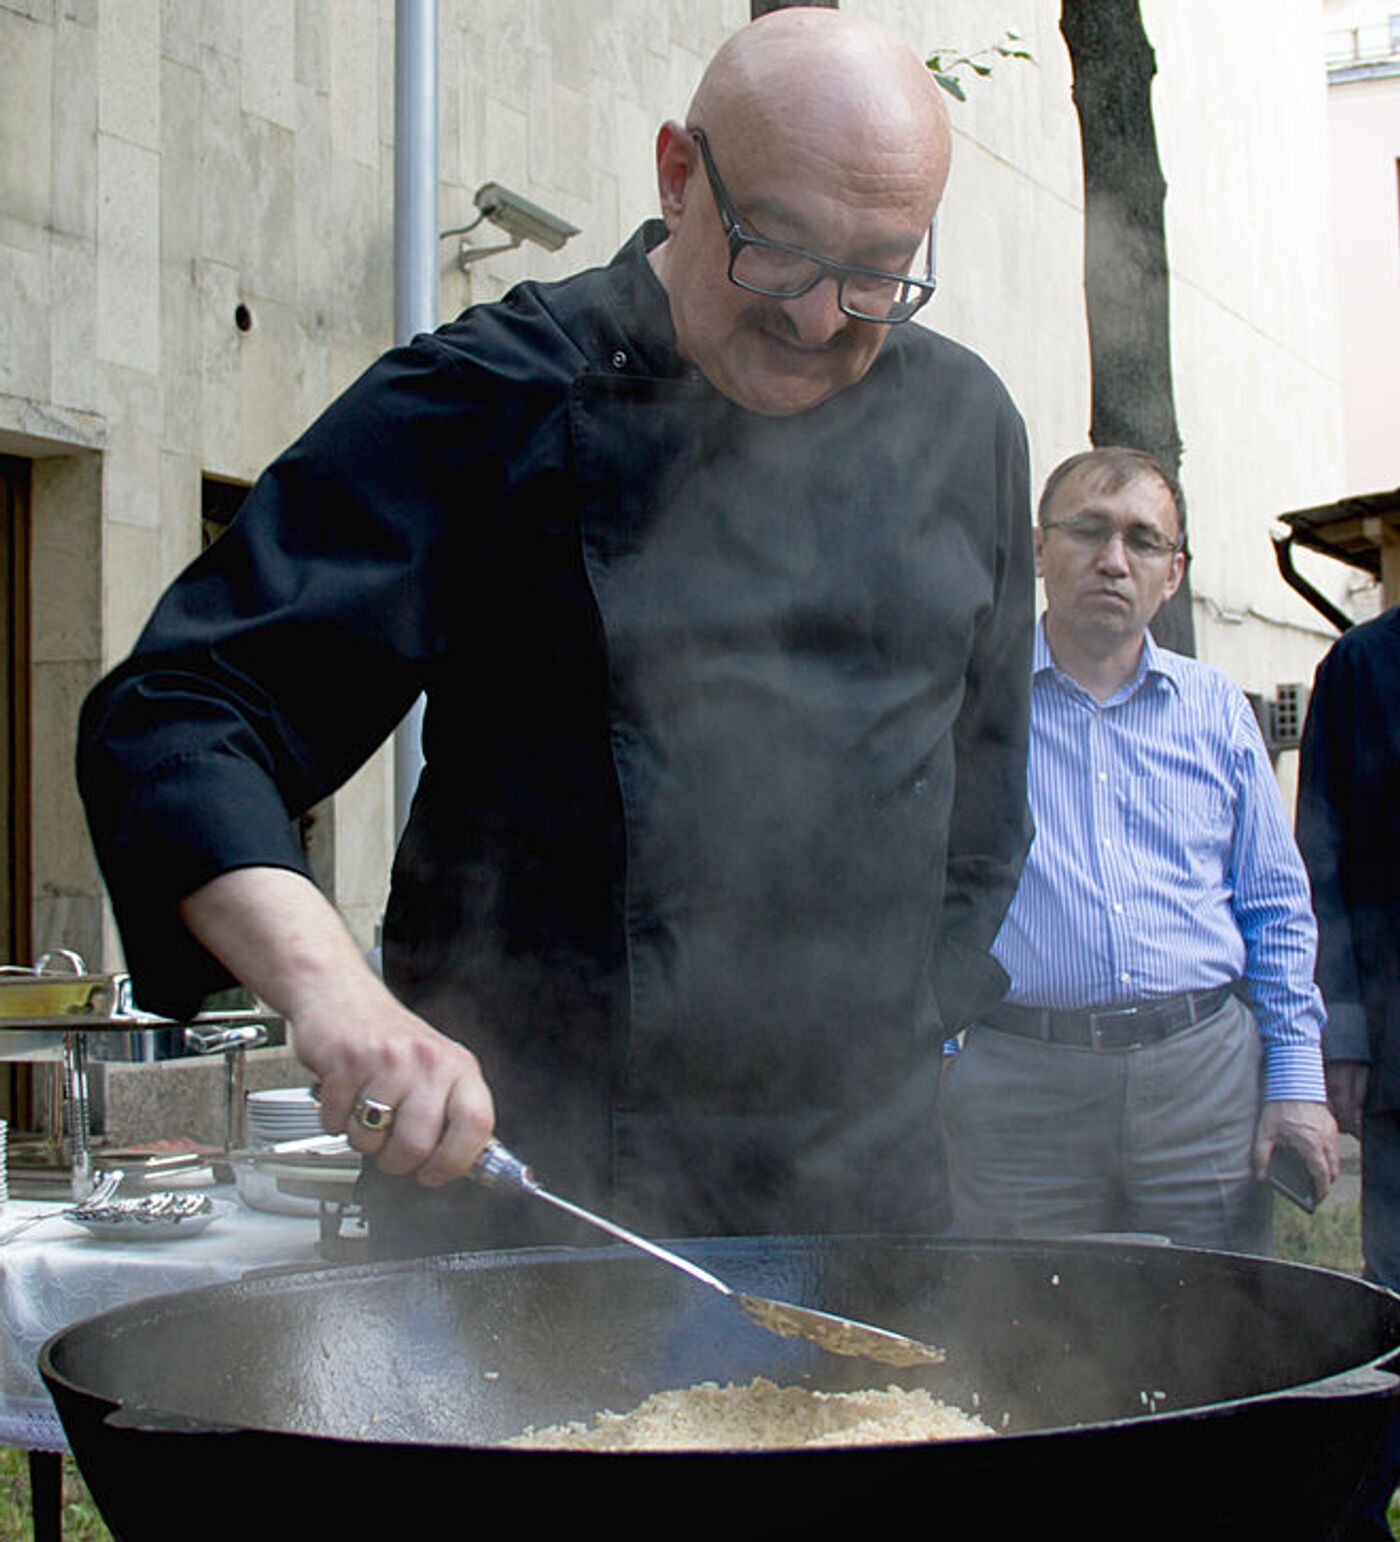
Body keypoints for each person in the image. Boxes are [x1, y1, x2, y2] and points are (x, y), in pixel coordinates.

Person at [77, 10, 1034, 1257]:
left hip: (866, 1197)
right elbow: (183, 713)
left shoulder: (967, 424)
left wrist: (914, 1013)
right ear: (679, 177)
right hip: (535, 1187)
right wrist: (343, 1003)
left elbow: (985, 790)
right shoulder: (492, 393)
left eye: (878, 271)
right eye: (780, 253)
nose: (819, 319)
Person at [941, 447, 1339, 1251]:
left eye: (1142, 540)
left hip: (1202, 1084)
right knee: (1026, 1343)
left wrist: (1297, 1082)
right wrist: (940, 1053)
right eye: (1087, 531)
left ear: (1174, 571)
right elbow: (917, 888)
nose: (1113, 560)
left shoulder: (1217, 710)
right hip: (1019, 1087)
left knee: (1217, 1329)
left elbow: (1274, 907)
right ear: (1039, 550)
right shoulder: (969, 704)